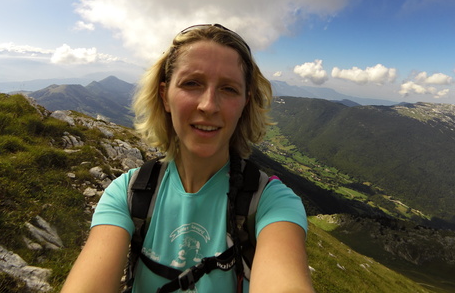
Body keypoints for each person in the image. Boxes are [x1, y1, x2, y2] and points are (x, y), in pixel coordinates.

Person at [61, 24, 314, 293]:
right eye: (191, 83)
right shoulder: (127, 194)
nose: (208, 105)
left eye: (228, 89)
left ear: (245, 103)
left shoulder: (272, 204)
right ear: (164, 96)